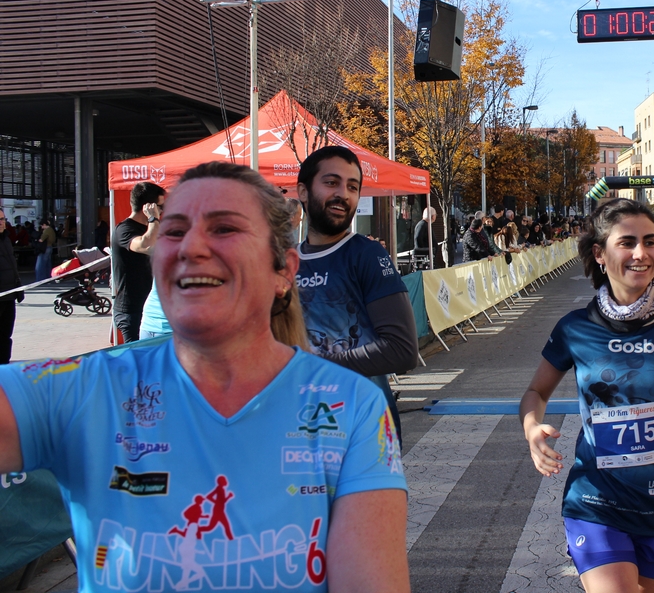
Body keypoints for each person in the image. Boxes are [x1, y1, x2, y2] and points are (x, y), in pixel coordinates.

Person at [0, 161, 410, 592]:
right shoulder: (90, 390)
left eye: (224, 229)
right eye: (174, 231)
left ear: (283, 272)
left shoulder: (353, 409)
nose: (190, 247)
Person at [520, 199, 654, 593]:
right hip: (595, 499)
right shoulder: (575, 327)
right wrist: (532, 427)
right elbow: (536, 391)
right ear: (599, 254)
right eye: (627, 242)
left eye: (650, 241)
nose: (641, 253)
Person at [295, 146, 421, 441]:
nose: (343, 194)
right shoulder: (282, 262)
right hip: (298, 428)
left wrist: (316, 366)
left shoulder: (367, 255)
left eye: (353, 187)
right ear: (303, 191)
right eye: (331, 182)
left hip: (363, 429)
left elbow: (402, 350)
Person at [111, 182, 166, 342]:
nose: (163, 211)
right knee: (136, 357)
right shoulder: (124, 229)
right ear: (148, 207)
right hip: (131, 311)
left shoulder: (152, 228)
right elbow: (146, 246)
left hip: (151, 310)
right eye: (161, 207)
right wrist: (153, 219)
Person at [0, 210, 24, 365]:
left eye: (2, 219)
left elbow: (12, 266)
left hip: (9, 294)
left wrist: (18, 286)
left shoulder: (6, 239)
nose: (1, 222)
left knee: (6, 334)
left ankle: (4, 366)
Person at [34, 218, 56, 282]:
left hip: (45, 248)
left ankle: (40, 279)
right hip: (50, 247)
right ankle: (48, 278)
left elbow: (41, 239)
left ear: (44, 224)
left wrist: (37, 240)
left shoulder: (46, 231)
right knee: (47, 264)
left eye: (42, 225)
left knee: (41, 264)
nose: (41, 227)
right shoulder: (51, 230)